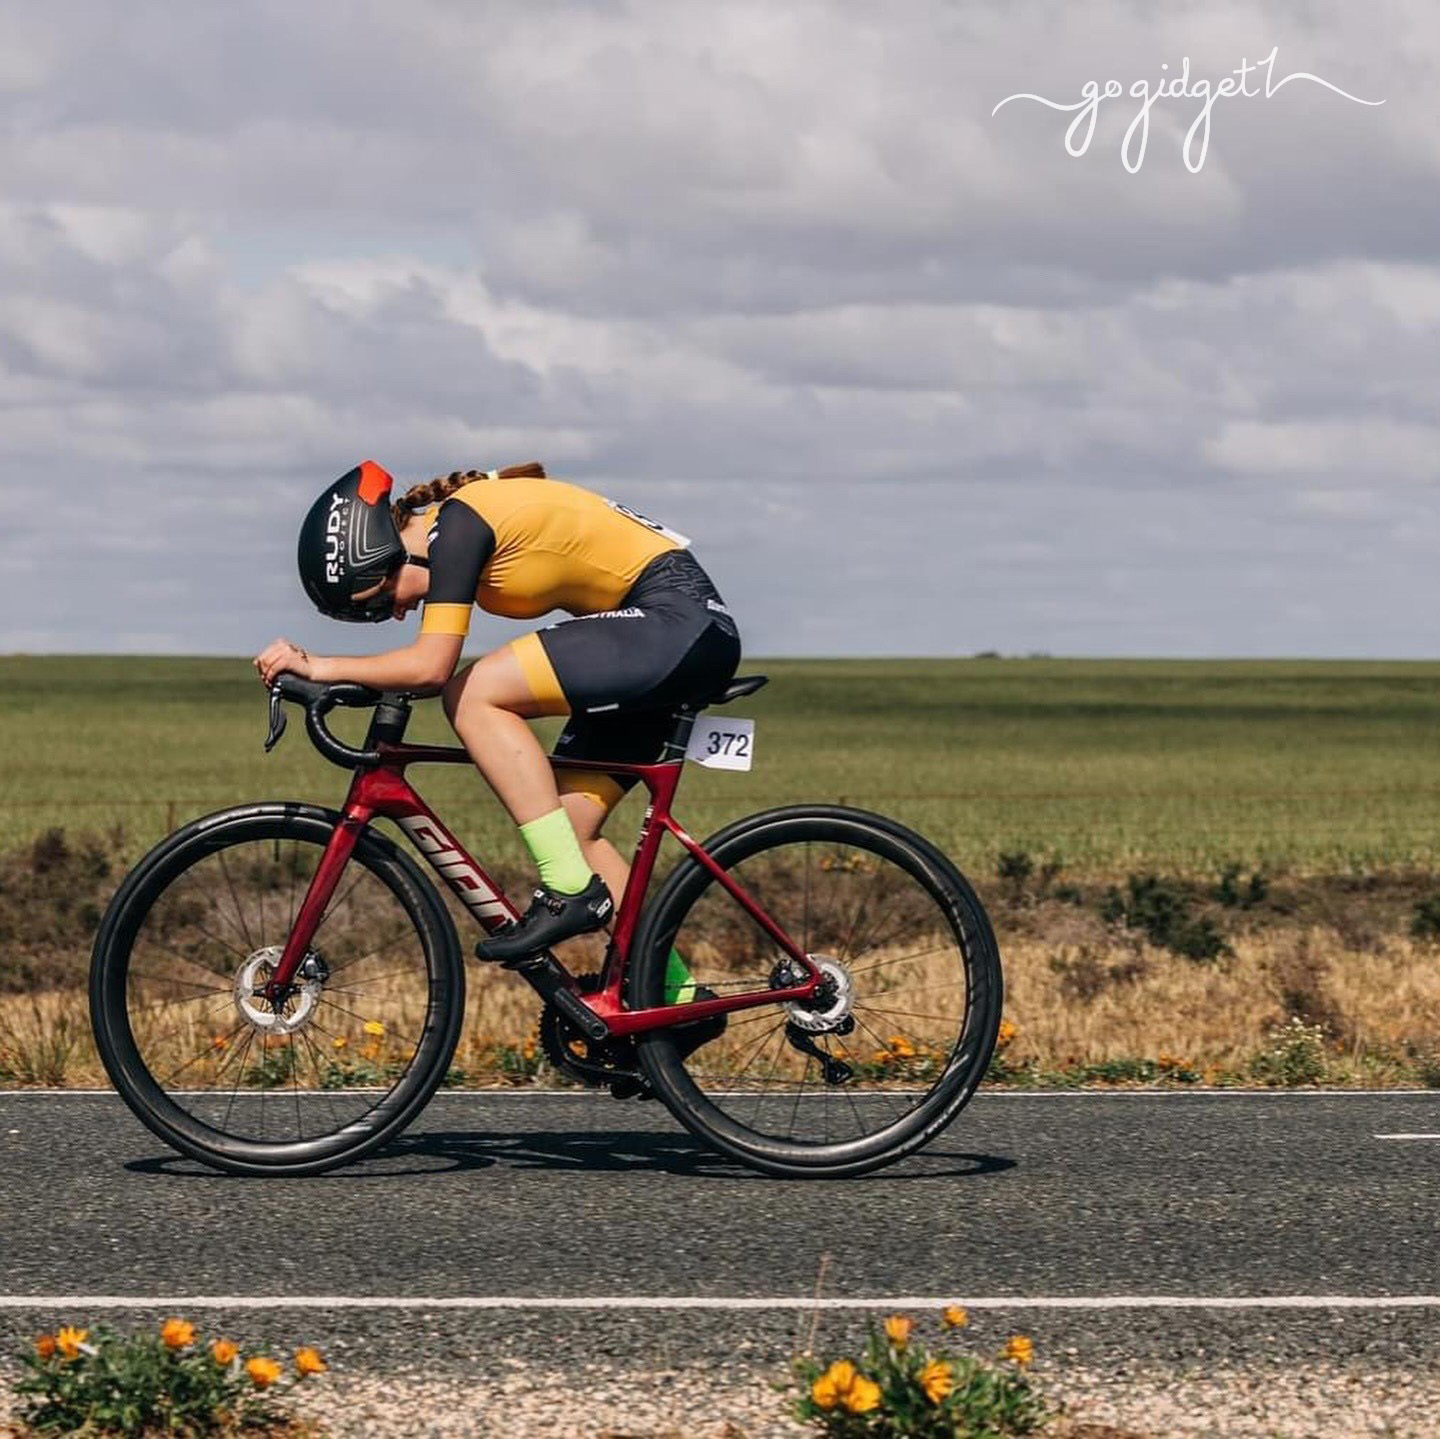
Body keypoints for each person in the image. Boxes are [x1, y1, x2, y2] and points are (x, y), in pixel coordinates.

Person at [254, 460, 741, 968]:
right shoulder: (460, 520)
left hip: (677, 623)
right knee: (570, 830)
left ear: (386, 555)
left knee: (474, 693)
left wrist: (318, 666)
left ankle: (568, 891)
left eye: (380, 602)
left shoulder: (459, 525)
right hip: (667, 634)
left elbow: (430, 668)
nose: (395, 614)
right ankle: (670, 994)